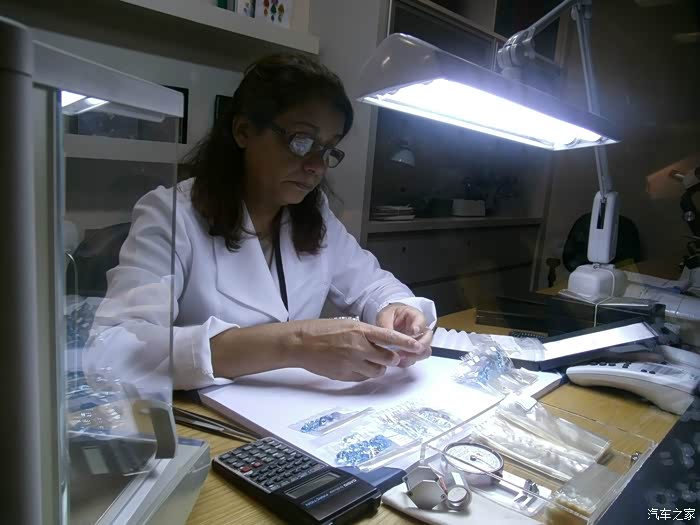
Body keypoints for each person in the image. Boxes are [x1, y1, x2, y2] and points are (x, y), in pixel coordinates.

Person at [86, 53, 435, 391]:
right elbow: (113, 349)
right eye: (302, 141)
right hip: (200, 416)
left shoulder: (314, 212)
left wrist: (397, 311)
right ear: (243, 131)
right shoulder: (171, 214)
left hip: (287, 414)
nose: (317, 166)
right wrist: (294, 343)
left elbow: (373, 286)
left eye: (328, 149)